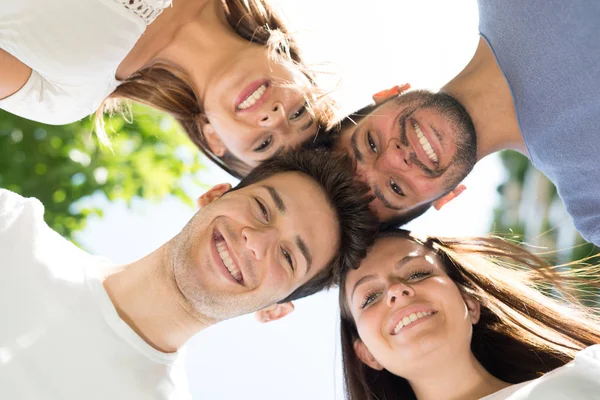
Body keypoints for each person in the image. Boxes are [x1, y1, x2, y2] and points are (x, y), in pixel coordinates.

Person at [0, 149, 377, 399]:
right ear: (213, 196)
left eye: (288, 256)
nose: (255, 242)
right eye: (262, 208)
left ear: (276, 308)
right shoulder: (12, 227)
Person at [329, 0, 600, 244]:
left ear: (386, 94)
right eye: (396, 188)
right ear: (447, 197)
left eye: (371, 144)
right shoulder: (593, 204)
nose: (396, 159)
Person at [0, 0, 331, 178]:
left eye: (264, 144)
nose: (274, 118)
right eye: (299, 112)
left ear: (213, 137)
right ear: (299, 70)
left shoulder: (67, 97)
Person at [340, 228, 600, 400]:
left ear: (470, 303)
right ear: (366, 354)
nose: (397, 290)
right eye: (370, 297)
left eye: (418, 273)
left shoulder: (590, 369)